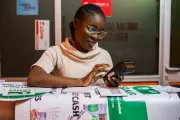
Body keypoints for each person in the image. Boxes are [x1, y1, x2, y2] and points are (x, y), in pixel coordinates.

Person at [27, 4, 122, 88]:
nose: (96, 37)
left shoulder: (104, 55)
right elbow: (34, 77)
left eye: (100, 32)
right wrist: (81, 81)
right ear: (76, 23)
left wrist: (113, 83)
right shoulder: (56, 52)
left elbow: (107, 87)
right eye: (92, 29)